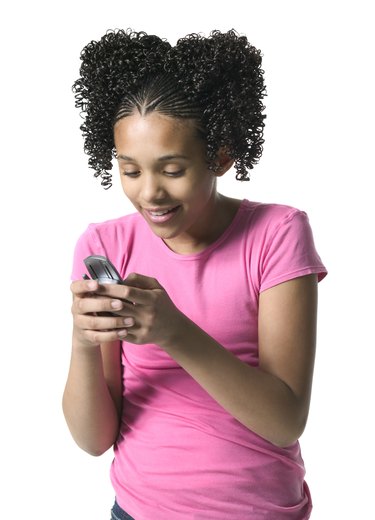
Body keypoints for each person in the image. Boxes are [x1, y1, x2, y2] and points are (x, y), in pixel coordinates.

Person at [62, 28, 327, 520]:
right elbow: (93, 440)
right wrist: (82, 342)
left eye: (172, 169)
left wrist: (175, 332)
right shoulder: (104, 246)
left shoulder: (277, 233)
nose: (150, 194)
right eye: (131, 170)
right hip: (137, 511)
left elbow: (285, 420)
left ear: (220, 156)